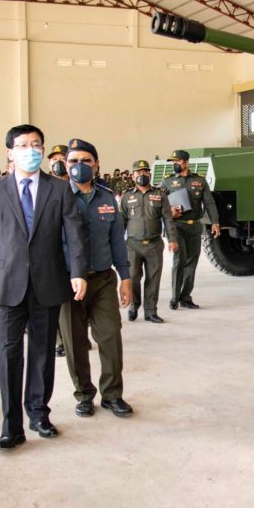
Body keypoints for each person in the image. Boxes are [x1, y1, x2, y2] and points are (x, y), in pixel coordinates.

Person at [0, 125, 87, 449]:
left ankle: (39, 413)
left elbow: (74, 234)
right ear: (10, 152)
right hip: (8, 284)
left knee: (42, 353)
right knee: (9, 354)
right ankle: (11, 426)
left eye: (36, 144)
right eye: (23, 145)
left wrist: (78, 271)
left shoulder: (59, 189)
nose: (31, 149)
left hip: (47, 282)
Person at [63, 138, 134, 418]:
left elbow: (117, 240)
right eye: (73, 161)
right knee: (75, 342)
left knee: (110, 338)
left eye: (85, 161)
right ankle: (83, 394)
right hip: (68, 283)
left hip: (104, 280)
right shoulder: (58, 197)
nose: (79, 166)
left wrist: (125, 277)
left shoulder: (107, 198)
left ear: (96, 165)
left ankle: (112, 395)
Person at [161, 149, 221, 309]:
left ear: (186, 162)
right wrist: (169, 212)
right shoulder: (167, 182)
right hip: (177, 226)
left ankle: (185, 297)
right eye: (173, 162)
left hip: (194, 225)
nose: (175, 165)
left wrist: (215, 222)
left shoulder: (199, 181)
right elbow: (160, 204)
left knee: (192, 262)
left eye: (177, 162)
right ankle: (174, 297)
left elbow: (209, 202)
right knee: (179, 260)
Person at [120, 159, 177, 324]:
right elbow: (121, 222)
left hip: (154, 244)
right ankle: (133, 305)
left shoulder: (160, 195)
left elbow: (168, 218)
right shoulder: (126, 197)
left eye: (145, 172)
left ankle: (151, 311)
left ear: (150, 174)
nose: (142, 175)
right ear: (132, 176)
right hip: (132, 245)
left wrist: (172, 239)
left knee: (154, 278)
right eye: (138, 172)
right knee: (132, 277)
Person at [46, 144, 70, 357]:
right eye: (53, 159)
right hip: (51, 253)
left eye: (62, 157)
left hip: (74, 253)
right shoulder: (43, 187)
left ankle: (73, 338)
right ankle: (60, 341)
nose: (57, 162)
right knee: (55, 301)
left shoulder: (80, 185)